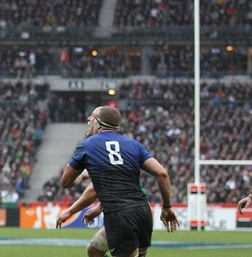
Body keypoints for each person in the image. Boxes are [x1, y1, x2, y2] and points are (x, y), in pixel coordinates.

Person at [60, 106, 179, 257]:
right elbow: (162, 174)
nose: (88, 119)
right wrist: (167, 207)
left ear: (99, 122)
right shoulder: (134, 145)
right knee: (94, 250)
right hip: (142, 212)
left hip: (120, 215)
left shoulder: (88, 145)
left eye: (92, 116)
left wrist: (82, 175)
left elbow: (66, 182)